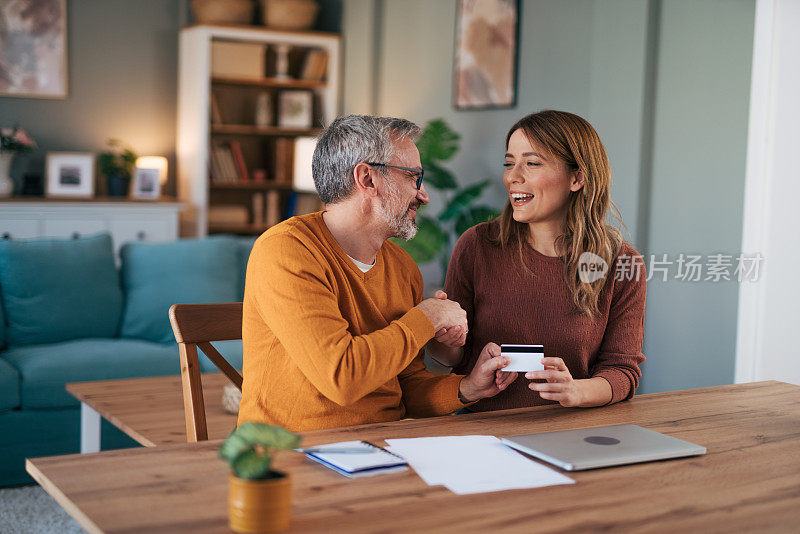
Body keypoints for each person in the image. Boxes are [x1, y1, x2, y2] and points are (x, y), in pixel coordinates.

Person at [237, 115, 516, 431]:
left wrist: (467, 389)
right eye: (414, 178)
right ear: (367, 179)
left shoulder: (403, 267)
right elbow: (341, 377)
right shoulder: (287, 251)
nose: (423, 196)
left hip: (383, 446)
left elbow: (406, 389)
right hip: (289, 453)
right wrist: (426, 318)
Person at [428, 110, 646, 412]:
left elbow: (622, 371)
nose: (513, 177)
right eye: (509, 163)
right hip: (483, 436)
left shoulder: (621, 263)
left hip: (572, 437)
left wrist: (575, 391)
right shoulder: (477, 246)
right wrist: (443, 338)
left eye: (531, 163)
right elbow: (456, 358)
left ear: (577, 178)